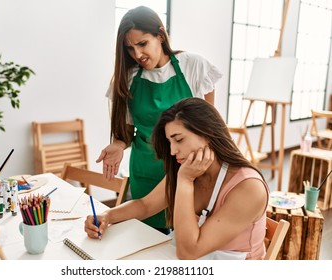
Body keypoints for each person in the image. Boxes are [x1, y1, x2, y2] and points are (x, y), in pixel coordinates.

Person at [86, 98, 269, 260]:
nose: (173, 151)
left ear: (207, 134)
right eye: (170, 142)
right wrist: (107, 216)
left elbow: (188, 252)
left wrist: (185, 182)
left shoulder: (249, 188)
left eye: (179, 140)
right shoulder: (188, 169)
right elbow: (146, 205)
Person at [96, 6, 222, 233]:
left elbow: (212, 128)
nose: (137, 54)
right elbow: (125, 132)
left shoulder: (193, 66)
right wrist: (117, 145)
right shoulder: (128, 77)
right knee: (145, 237)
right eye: (130, 48)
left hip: (189, 170)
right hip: (146, 170)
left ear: (160, 35)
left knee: (185, 239)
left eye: (142, 44)